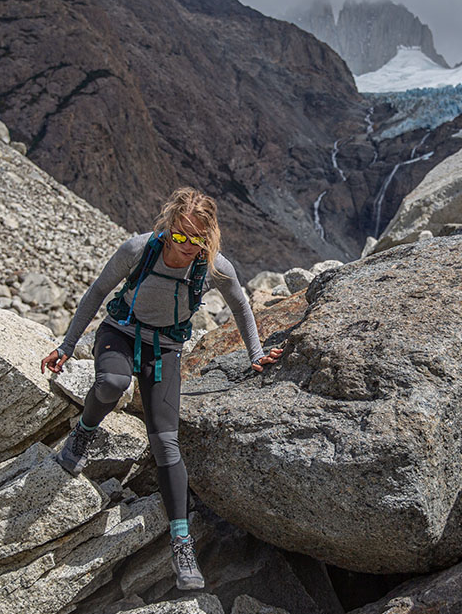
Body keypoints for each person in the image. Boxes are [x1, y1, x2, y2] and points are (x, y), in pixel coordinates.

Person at [40, 187, 282, 590]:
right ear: (168, 226)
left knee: (167, 445)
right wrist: (67, 346)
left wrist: (255, 353)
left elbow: (240, 305)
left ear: (209, 237)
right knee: (113, 383)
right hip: (120, 333)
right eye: (180, 234)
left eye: (197, 238)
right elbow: (98, 292)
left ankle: (181, 543)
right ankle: (83, 432)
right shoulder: (138, 250)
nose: (186, 245)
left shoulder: (213, 266)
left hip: (165, 349)